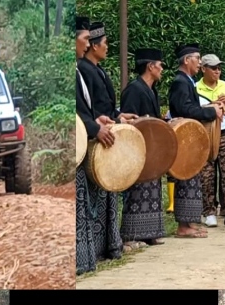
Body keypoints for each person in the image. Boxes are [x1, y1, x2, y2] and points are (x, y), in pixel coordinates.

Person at [75, 22, 125, 265]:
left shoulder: (91, 70)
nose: (85, 45)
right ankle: (85, 255)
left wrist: (112, 118)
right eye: (84, 39)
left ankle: (102, 247)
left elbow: (92, 108)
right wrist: (95, 126)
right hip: (85, 140)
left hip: (96, 132)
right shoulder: (82, 69)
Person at [168, 44, 218, 237]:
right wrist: (211, 111)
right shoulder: (181, 82)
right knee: (186, 181)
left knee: (191, 181)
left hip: (189, 139)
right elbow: (185, 110)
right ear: (187, 60)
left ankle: (188, 222)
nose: (200, 62)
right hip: (183, 138)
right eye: (197, 58)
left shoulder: (187, 81)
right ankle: (183, 226)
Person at [119, 50, 167, 245]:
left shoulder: (151, 89)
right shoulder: (134, 89)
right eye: (160, 65)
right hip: (136, 147)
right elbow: (129, 120)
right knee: (138, 190)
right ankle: (133, 234)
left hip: (151, 148)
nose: (162, 69)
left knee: (153, 189)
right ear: (150, 66)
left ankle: (150, 232)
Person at [196, 54, 225, 229]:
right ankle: (209, 211)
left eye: (219, 68)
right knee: (206, 175)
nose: (217, 71)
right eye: (213, 68)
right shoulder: (196, 88)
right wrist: (211, 106)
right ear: (203, 69)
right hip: (205, 134)